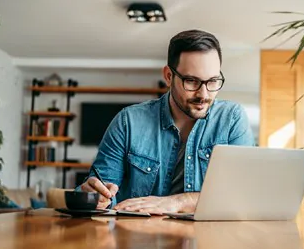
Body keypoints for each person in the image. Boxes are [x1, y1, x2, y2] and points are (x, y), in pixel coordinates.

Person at [77, 29, 255, 214]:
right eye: (191, 81)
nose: (203, 94)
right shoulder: (128, 122)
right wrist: (94, 196)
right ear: (169, 76)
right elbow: (99, 190)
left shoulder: (232, 119)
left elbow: (243, 195)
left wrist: (178, 202)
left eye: (212, 81)